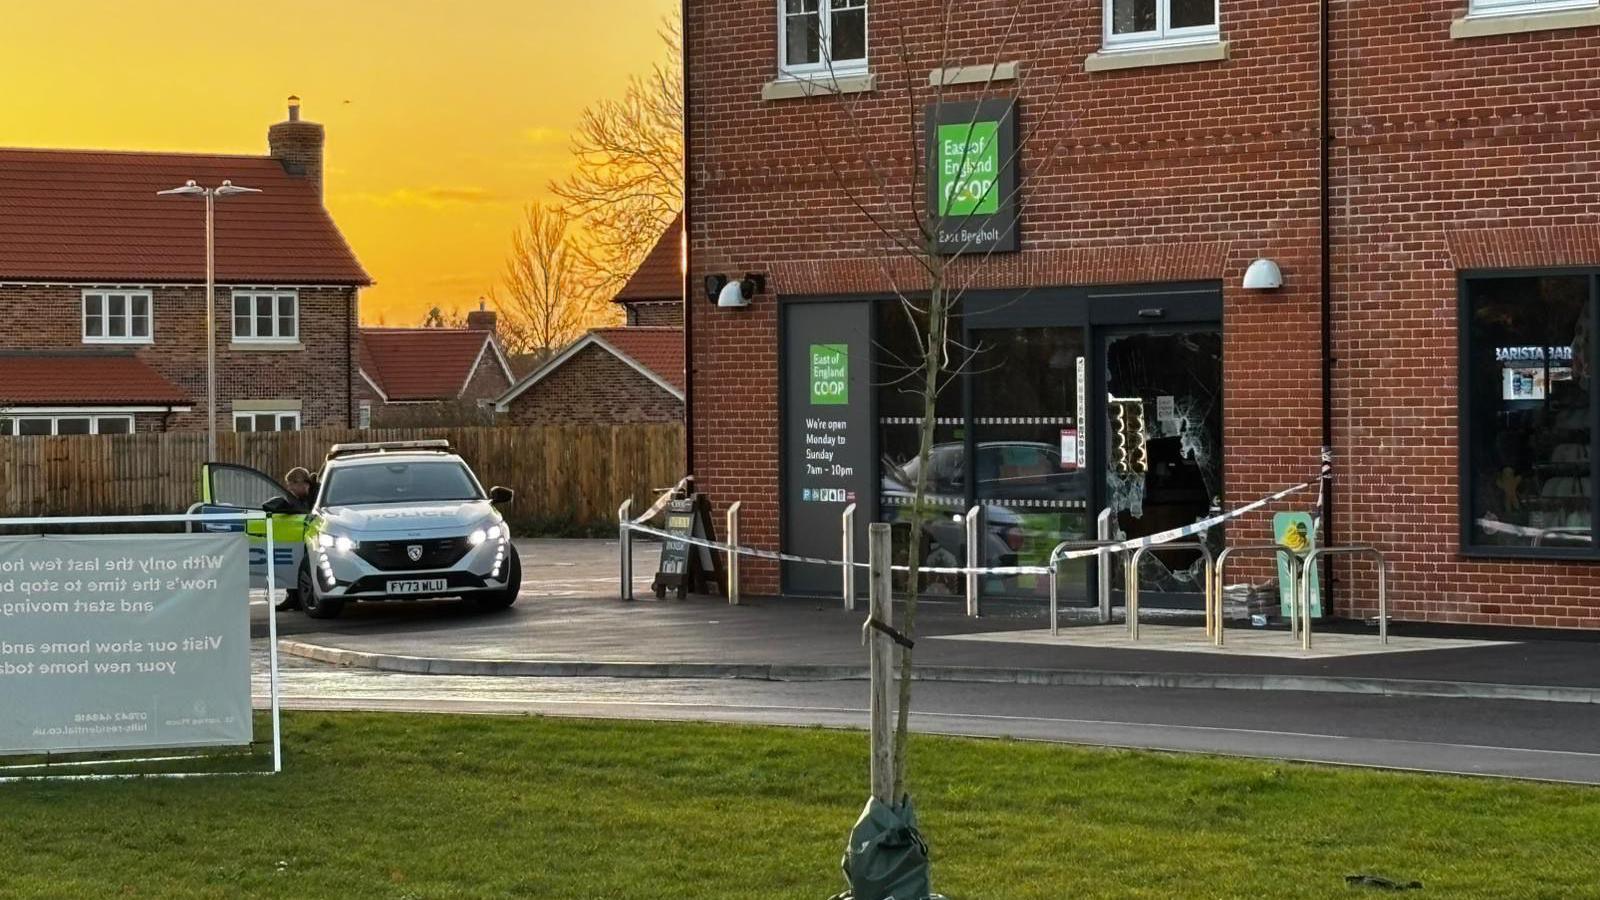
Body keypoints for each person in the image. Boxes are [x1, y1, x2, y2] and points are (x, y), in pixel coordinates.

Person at [275, 467, 316, 612]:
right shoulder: (303, 498)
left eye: (292, 487)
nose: (290, 491)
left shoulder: (317, 496)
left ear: (301, 484)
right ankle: (294, 597)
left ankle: (299, 598)